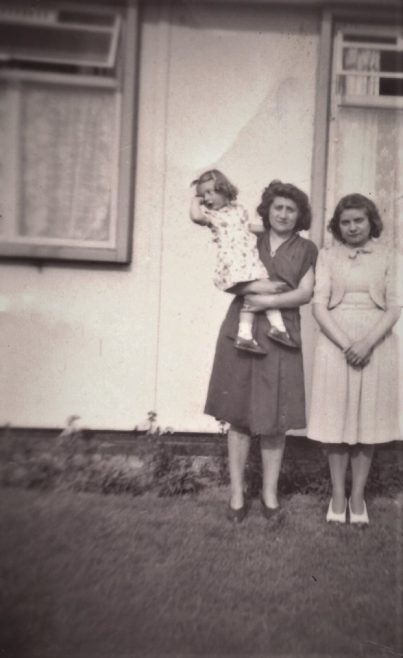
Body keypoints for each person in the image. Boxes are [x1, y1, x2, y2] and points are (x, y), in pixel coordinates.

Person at [204, 179, 318, 521]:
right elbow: (228, 277)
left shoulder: (307, 249)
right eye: (278, 207)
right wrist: (256, 287)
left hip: (283, 335)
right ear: (267, 209)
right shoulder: (249, 237)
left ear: (300, 215)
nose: (283, 214)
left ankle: (269, 494)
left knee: (275, 418)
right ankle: (237, 494)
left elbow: (305, 293)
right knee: (238, 415)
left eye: (291, 209)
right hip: (242, 329)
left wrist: (267, 298)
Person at [307, 193, 401, 526]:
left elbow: (394, 307)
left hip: (376, 341)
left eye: (358, 220)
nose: (352, 227)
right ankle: (336, 495)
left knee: (366, 420)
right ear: (338, 225)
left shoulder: (390, 255)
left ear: (370, 221)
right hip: (335, 341)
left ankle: (357, 497)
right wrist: (348, 344)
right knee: (337, 419)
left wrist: (366, 343)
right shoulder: (327, 256)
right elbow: (319, 307)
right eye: (345, 222)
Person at [190, 169, 296, 352]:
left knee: (257, 294)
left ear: (223, 189)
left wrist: (270, 230)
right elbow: (196, 216)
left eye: (210, 192)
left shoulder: (238, 210)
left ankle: (246, 335)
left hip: (249, 261)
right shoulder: (213, 216)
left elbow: (247, 227)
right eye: (202, 194)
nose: (206, 198)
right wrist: (195, 201)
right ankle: (277, 328)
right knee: (264, 290)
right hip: (234, 264)